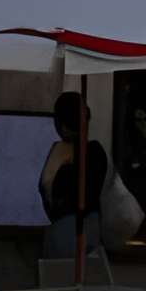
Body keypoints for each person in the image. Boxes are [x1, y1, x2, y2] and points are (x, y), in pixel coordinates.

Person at [39, 95, 113, 266]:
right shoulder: (96, 151)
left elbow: (46, 189)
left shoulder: (61, 152)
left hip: (65, 231)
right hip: (92, 231)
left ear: (62, 125)